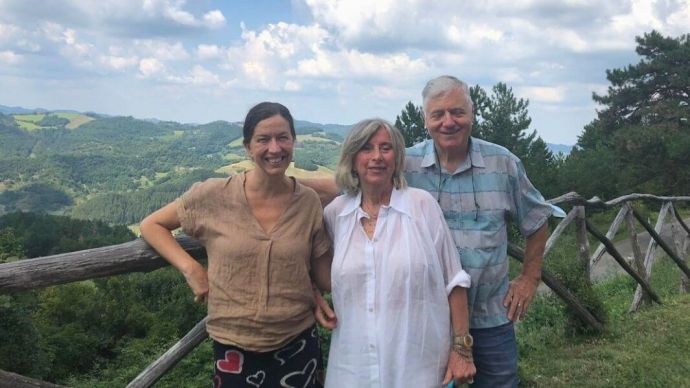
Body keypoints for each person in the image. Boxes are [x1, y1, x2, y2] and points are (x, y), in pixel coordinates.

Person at [308, 76, 564, 387]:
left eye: (457, 112)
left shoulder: (503, 163)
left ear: (472, 114)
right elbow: (361, 184)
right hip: (422, 324)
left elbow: (537, 217)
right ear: (425, 120)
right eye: (438, 114)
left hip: (488, 314)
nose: (448, 122)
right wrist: (287, 188)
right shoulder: (406, 163)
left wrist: (529, 278)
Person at [140, 102, 331, 388]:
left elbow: (322, 274)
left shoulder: (307, 202)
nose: (275, 148)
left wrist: (315, 289)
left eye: (283, 137)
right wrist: (191, 269)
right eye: (263, 139)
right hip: (233, 345)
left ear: (294, 141)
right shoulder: (214, 195)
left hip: (297, 343)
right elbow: (151, 225)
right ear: (247, 146)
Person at [310, 118, 476, 387]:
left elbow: (454, 280)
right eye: (367, 148)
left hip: (418, 366)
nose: (376, 157)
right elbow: (319, 270)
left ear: (397, 158)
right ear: (352, 159)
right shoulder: (336, 214)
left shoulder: (422, 206)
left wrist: (462, 350)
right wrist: (312, 293)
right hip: (354, 367)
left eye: (385, 148)